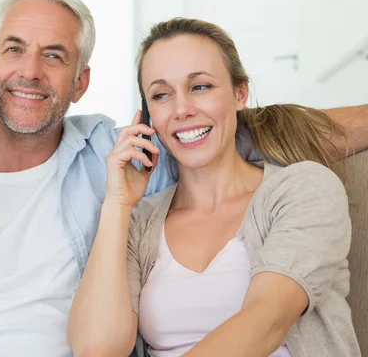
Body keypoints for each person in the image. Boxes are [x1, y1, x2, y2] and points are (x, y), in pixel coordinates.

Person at [0, 0, 366, 356]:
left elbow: (225, 131)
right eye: (14, 50)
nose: (30, 72)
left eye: (54, 55)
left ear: (80, 82)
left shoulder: (116, 155)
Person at [68, 18, 362, 357]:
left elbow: (265, 322)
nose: (181, 110)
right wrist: (117, 205)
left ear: (240, 94)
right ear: (148, 118)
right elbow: (96, 349)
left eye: (200, 87)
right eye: (161, 95)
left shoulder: (302, 189)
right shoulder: (140, 221)